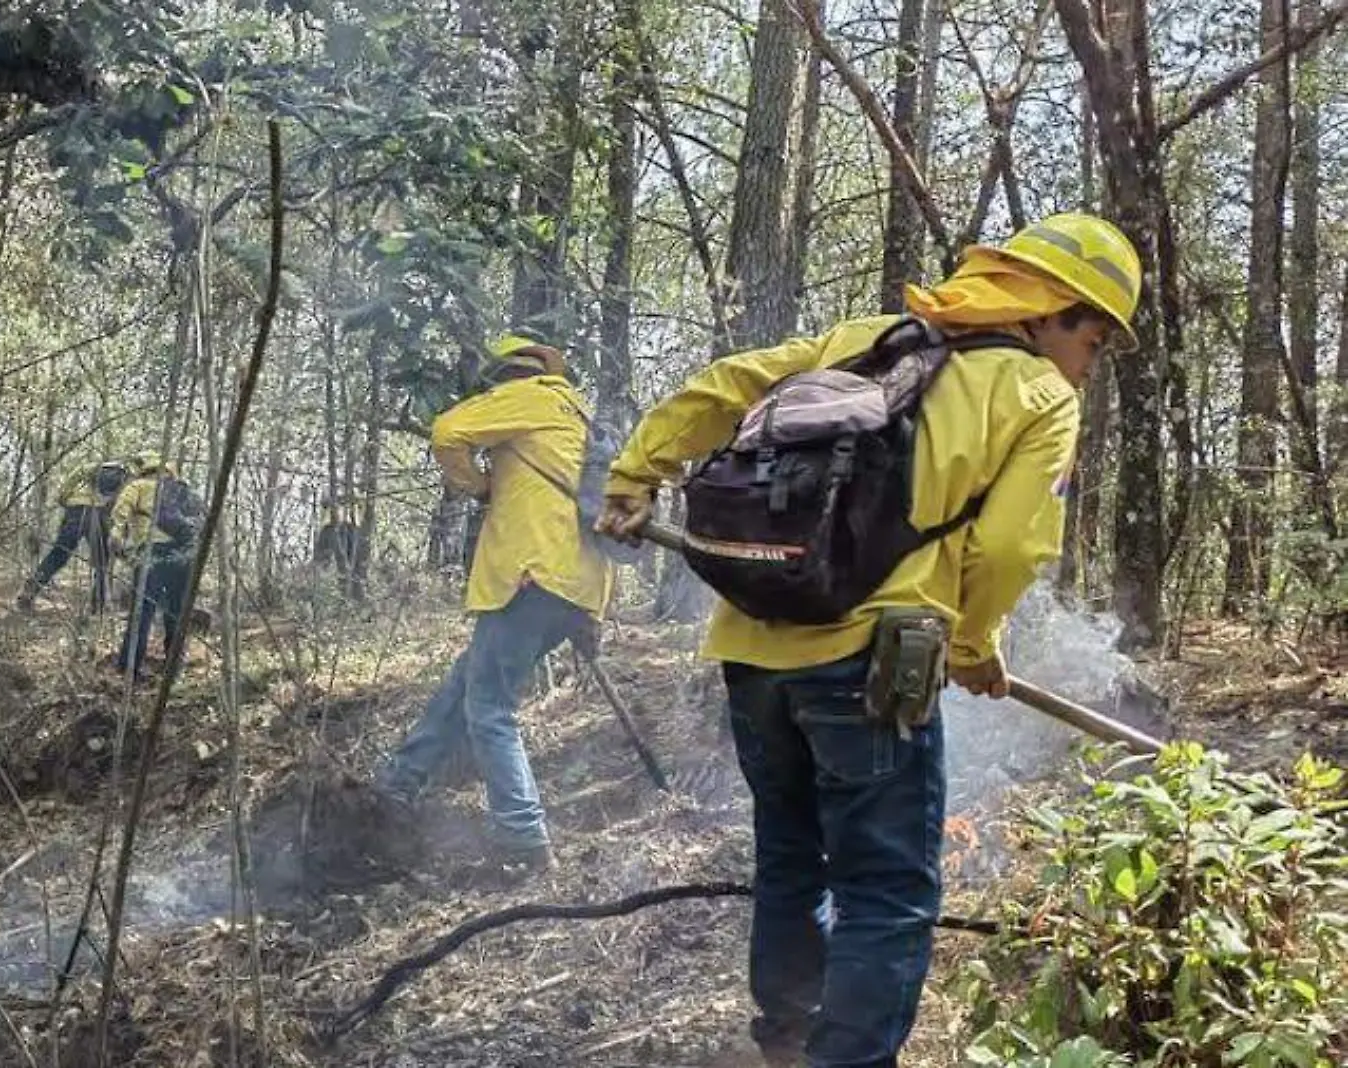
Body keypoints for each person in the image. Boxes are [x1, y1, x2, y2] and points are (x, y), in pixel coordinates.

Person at [597, 213, 1140, 1067]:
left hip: (750, 652)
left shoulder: (868, 340)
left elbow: (725, 385)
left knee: (789, 853)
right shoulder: (1040, 398)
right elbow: (1010, 548)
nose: (1090, 361)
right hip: (876, 664)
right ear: (1048, 313)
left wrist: (637, 475)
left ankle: (785, 1039)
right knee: (886, 888)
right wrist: (972, 644)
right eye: (1094, 339)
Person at [373, 333, 613, 875]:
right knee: (469, 684)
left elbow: (448, 430)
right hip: (574, 588)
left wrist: (478, 486)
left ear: (511, 376)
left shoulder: (532, 398)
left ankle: (523, 836)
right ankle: (397, 784)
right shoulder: (583, 420)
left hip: (528, 579)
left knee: (491, 709)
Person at [109, 451, 202, 679]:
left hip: (150, 553)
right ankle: (175, 666)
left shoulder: (138, 486)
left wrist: (117, 536)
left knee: (143, 611)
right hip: (184, 556)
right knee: (177, 611)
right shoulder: (182, 489)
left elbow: (121, 512)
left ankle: (130, 667)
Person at [17, 460, 128, 613]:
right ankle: (98, 604)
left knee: (58, 555)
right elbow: (120, 504)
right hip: (98, 513)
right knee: (102, 561)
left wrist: (64, 498)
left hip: (75, 510)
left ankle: (30, 590)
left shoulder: (92, 467)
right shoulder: (124, 476)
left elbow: (74, 477)